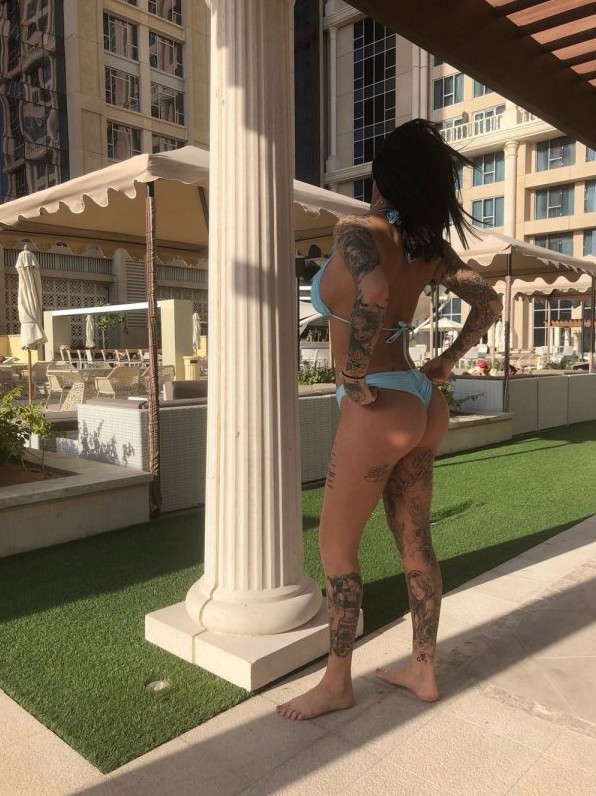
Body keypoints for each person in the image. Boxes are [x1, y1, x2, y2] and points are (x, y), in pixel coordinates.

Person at [276, 119, 502, 721]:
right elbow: (489, 301)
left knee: (335, 548)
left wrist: (353, 371)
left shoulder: (356, 230)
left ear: (379, 180)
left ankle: (336, 684)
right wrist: (447, 361)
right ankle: (422, 669)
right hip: (422, 403)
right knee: (415, 541)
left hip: (376, 404)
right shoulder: (429, 248)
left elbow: (373, 291)